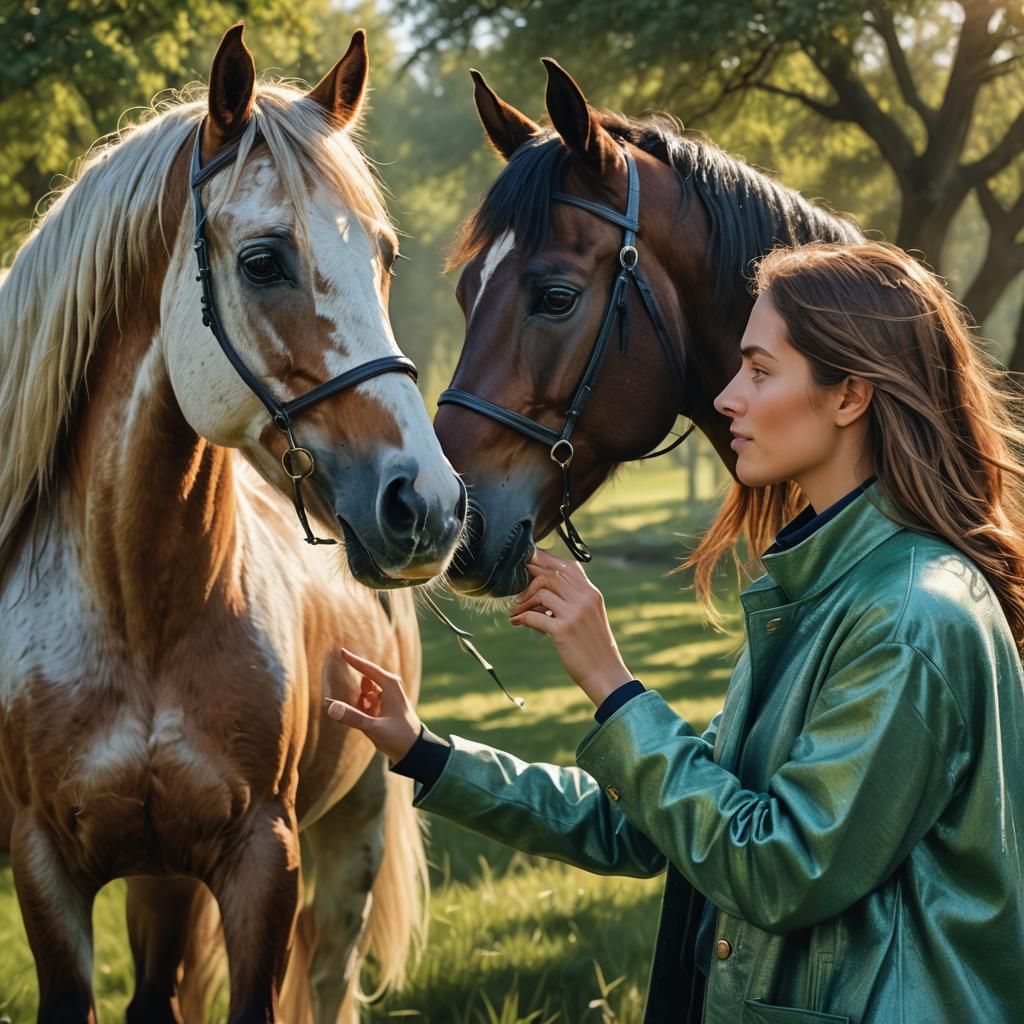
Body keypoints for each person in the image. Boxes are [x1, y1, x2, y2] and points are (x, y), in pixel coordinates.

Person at [326, 241, 1024, 1023]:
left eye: (760, 371)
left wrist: (613, 686)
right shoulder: (826, 591)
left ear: (850, 394)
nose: (727, 398)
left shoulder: (909, 617)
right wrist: (422, 750)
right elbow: (654, 825)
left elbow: (777, 867)